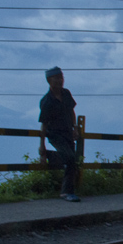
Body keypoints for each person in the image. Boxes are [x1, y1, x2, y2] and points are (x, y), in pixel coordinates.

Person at [38, 66, 81, 202]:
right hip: (55, 134)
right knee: (69, 158)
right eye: (57, 78)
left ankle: (69, 190)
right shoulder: (47, 101)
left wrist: (75, 128)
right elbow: (44, 124)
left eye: (61, 77)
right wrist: (42, 147)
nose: (60, 80)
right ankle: (66, 192)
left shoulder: (66, 94)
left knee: (72, 160)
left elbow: (71, 111)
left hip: (68, 131)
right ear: (49, 80)